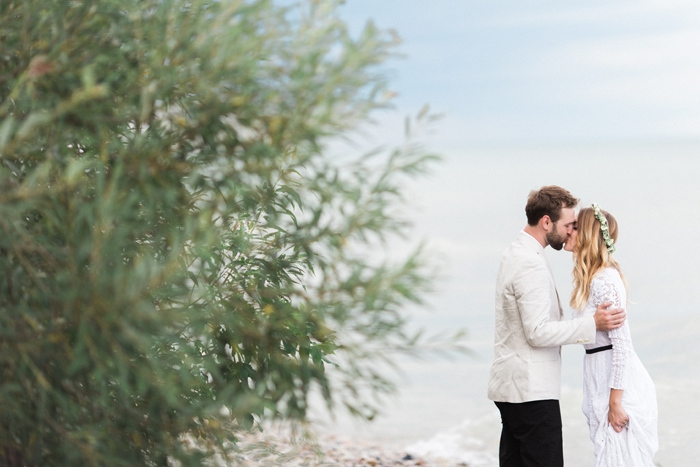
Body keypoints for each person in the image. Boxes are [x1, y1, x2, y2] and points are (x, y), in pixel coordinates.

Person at [487, 185, 626, 467]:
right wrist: (592, 324)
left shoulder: (519, 252)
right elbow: (537, 332)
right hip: (529, 391)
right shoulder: (529, 263)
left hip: (514, 387)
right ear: (546, 222)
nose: (571, 231)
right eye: (568, 224)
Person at [564, 204, 658, 466]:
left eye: (574, 226)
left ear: (586, 234)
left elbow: (623, 345)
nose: (568, 230)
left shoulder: (603, 280)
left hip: (615, 385)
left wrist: (615, 402)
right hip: (598, 376)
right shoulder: (591, 279)